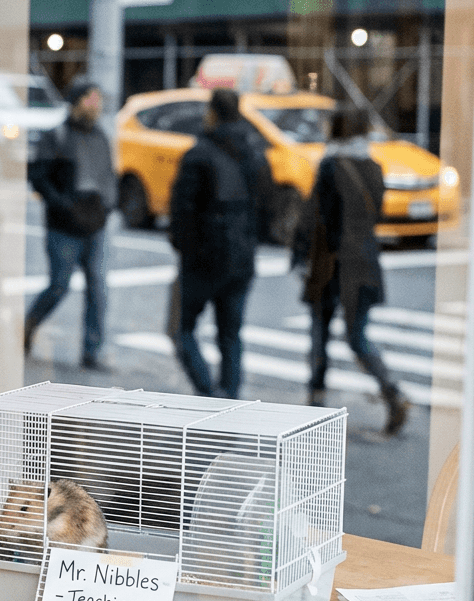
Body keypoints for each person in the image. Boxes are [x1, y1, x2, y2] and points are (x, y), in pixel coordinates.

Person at [296, 104, 411, 434]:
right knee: (357, 336)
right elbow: (376, 215)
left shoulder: (331, 166)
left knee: (320, 330)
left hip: (330, 262)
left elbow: (315, 218)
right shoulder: (375, 167)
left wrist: (301, 255)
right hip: (365, 260)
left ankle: (315, 401)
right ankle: (392, 391)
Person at [167, 88, 274, 399]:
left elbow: (182, 210)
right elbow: (268, 207)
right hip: (242, 257)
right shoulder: (255, 153)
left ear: (212, 112)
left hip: (202, 259)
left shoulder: (199, 154)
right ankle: (229, 396)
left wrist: (185, 249)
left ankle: (209, 392)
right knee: (230, 334)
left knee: (181, 329)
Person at [23, 78, 116, 369]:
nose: (96, 104)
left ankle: (92, 351)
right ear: (77, 101)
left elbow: (107, 177)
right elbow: (37, 175)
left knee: (97, 289)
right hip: (63, 226)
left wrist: (109, 205)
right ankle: (29, 325)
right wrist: (61, 204)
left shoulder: (101, 136)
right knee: (59, 286)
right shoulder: (57, 135)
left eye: (98, 99)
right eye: (91, 98)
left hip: (95, 224)